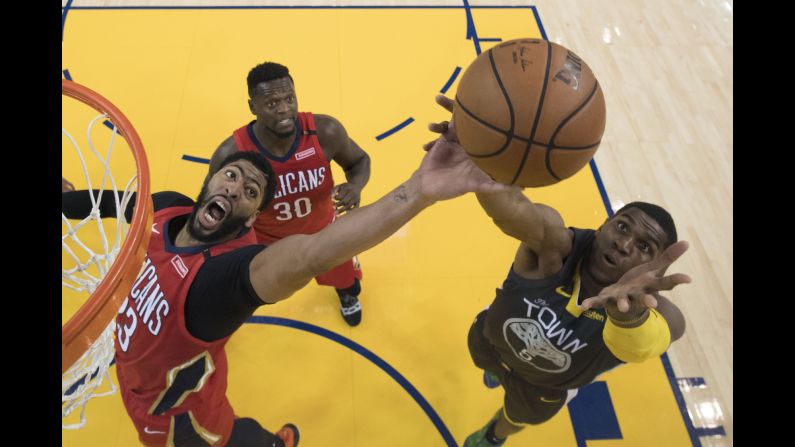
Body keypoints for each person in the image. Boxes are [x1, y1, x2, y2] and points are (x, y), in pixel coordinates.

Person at [62, 129, 508, 446]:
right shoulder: (166, 207)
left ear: (252, 218)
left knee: (233, 437)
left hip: (178, 418)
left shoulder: (226, 277)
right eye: (232, 176)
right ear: (211, 180)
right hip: (131, 368)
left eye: (251, 191)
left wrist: (419, 190)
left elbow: (312, 254)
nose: (236, 188)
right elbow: (105, 203)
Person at [424, 96, 691, 447]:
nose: (624, 245)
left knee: (515, 418)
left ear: (654, 265)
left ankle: (493, 435)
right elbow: (512, 211)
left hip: (546, 387)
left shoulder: (653, 313)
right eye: (623, 227)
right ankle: (494, 371)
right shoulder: (556, 248)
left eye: (644, 247)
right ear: (604, 224)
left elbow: (651, 342)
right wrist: (479, 156)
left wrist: (629, 317)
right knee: (485, 358)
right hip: (492, 339)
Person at [208, 61, 371, 326]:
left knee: (346, 282)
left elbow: (360, 161)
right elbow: (212, 208)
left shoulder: (325, 131)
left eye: (289, 99)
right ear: (253, 107)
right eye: (272, 104)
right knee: (253, 295)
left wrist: (355, 187)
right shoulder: (232, 153)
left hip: (324, 234)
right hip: (267, 244)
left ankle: (347, 296)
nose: (284, 109)